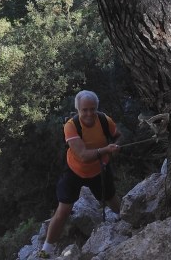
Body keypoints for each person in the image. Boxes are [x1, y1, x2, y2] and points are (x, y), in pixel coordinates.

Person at [39, 90, 121, 258]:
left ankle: (127, 222)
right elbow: (83, 156)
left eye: (92, 109)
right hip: (74, 170)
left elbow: (119, 136)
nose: (89, 113)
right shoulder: (71, 126)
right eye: (85, 110)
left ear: (97, 108)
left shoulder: (105, 121)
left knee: (112, 200)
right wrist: (107, 149)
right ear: (78, 110)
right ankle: (46, 249)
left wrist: (117, 146)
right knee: (63, 210)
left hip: (99, 169)